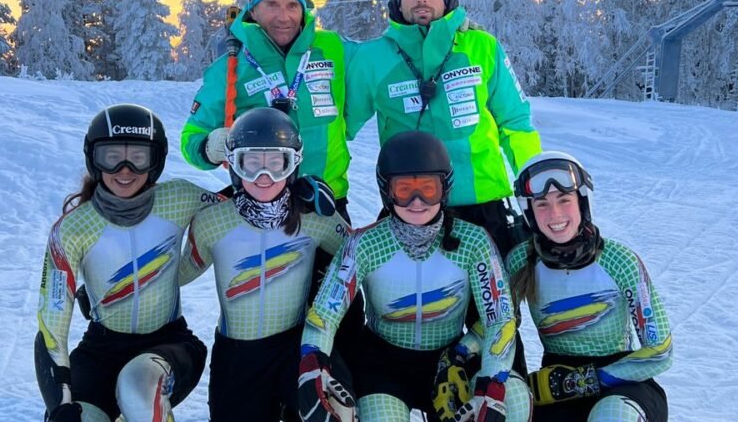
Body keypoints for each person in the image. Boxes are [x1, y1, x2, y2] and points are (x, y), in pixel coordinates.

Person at [299, 131, 531, 422]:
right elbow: (325, 313)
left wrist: (493, 384)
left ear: (444, 188)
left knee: (514, 402)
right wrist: (312, 363)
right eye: (404, 189)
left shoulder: (473, 242)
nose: (417, 201)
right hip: (383, 364)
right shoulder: (365, 243)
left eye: (428, 189)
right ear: (387, 190)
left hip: (449, 364)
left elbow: (500, 318)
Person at [345, 0, 542, 258]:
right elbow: (339, 125)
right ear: (397, 0)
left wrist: (537, 183)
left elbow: (515, 122)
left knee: (496, 304)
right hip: (411, 207)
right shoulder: (371, 59)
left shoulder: (482, 46)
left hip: (485, 208)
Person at [34, 104, 216, 422]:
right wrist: (60, 406)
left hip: (171, 344)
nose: (125, 169)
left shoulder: (179, 198)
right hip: (100, 350)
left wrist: (299, 196)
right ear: (94, 159)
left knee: (136, 388)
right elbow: (51, 327)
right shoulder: (74, 227)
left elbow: (240, 212)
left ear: (156, 160)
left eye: (139, 157)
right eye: (112, 156)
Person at [178, 107, 355, 422]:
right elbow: (176, 274)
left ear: (293, 166)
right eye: (252, 163)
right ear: (234, 165)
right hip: (237, 357)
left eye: (277, 163)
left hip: (296, 348)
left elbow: (360, 257)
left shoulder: (314, 219)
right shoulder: (212, 223)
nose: (264, 177)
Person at [180, 0, 353, 218]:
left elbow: (372, 83)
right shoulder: (230, 67)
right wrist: (208, 147)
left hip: (325, 202)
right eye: (272, 4)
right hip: (258, 203)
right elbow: (191, 138)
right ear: (254, 9)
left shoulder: (333, 48)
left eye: (292, 6)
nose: (283, 17)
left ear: (303, 9)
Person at [508, 151, 672, 421]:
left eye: (564, 200)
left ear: (583, 201)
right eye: (542, 205)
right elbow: (498, 325)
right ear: (529, 213)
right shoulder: (519, 262)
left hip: (625, 383)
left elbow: (660, 351)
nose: (555, 214)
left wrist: (586, 380)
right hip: (558, 389)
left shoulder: (619, 261)